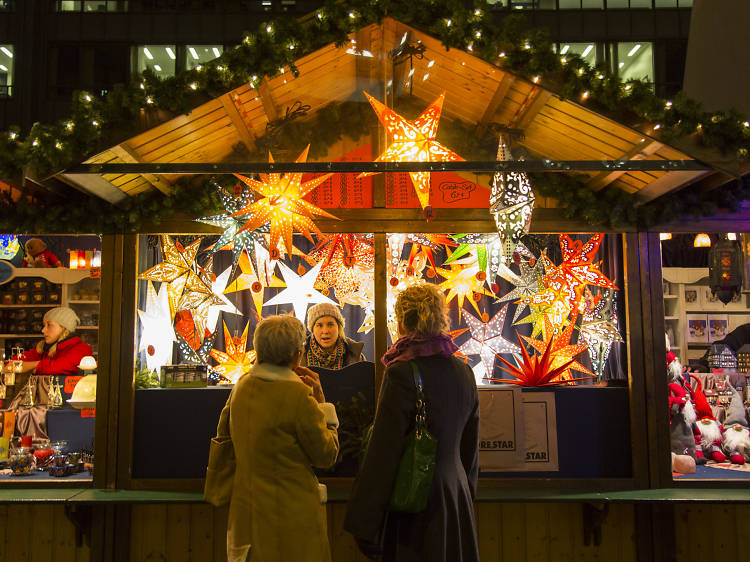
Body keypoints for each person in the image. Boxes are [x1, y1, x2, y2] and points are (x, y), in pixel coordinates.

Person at [344, 284, 480, 562]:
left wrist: (365, 521)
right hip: (456, 496)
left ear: (403, 320)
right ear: (440, 319)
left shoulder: (402, 373)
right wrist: (465, 493)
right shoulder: (464, 371)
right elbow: (471, 448)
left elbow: (385, 450)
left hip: (416, 500)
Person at [225, 315, 340, 562]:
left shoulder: (241, 387)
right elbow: (326, 454)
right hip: (292, 517)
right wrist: (322, 403)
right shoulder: (298, 395)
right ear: (297, 355)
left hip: (247, 514)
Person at [1, 306, 91, 436]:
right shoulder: (43, 349)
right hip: (40, 415)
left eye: (49, 325)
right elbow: (10, 365)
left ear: (64, 327)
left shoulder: (81, 349)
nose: (43, 330)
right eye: (44, 325)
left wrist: (35, 365)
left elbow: (56, 367)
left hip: (67, 414)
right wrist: (37, 364)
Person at [302, 302, 365, 369]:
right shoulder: (299, 356)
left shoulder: (355, 355)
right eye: (319, 325)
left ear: (339, 327)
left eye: (330, 324)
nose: (325, 331)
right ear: (312, 329)